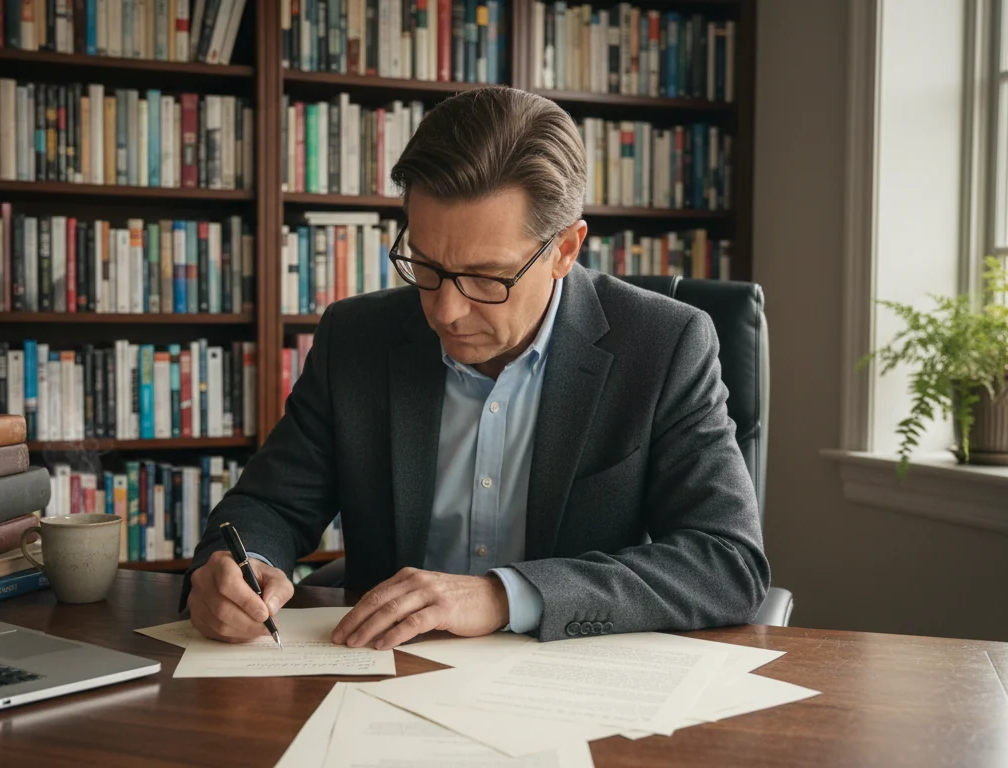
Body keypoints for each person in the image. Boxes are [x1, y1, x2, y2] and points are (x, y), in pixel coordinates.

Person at [182, 86, 769, 648]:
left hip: (568, 684)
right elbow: (269, 506)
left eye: (486, 278)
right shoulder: (356, 338)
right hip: (382, 678)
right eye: (427, 266)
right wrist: (241, 565)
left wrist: (503, 596)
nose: (445, 310)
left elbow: (725, 561)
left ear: (566, 248)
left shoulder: (664, 346)